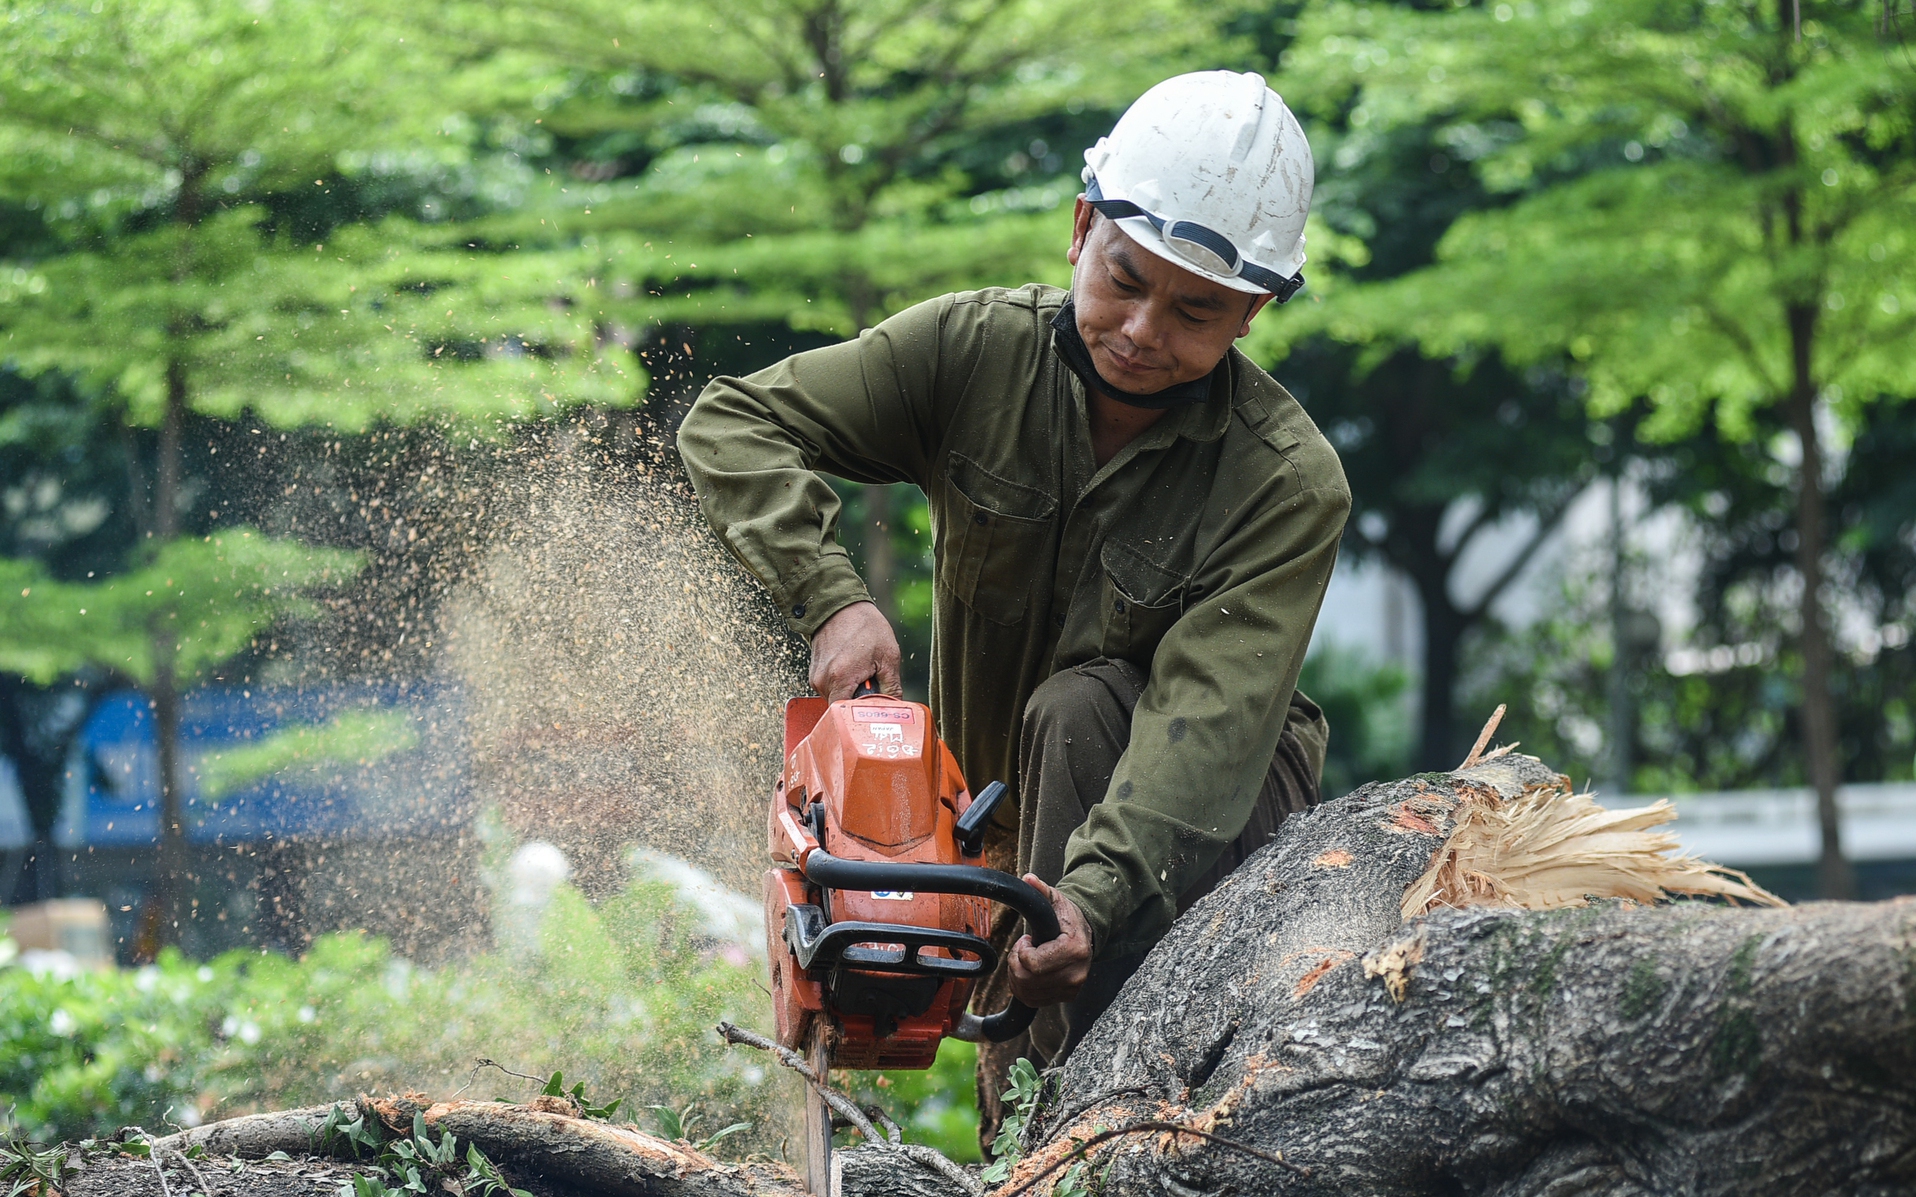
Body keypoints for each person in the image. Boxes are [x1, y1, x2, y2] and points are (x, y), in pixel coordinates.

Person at [677, 70, 1350, 1146]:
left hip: (1203, 821)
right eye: (1124, 280)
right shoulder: (969, 354)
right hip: (1017, 813)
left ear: (1254, 309)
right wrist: (832, 601)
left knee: (1077, 710)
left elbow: (1203, 726)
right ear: (1080, 230)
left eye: (1196, 313)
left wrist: (1082, 893)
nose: (1141, 329)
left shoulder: (1284, 482)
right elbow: (731, 426)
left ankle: (1074, 1141)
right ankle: (1021, 1144)